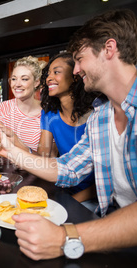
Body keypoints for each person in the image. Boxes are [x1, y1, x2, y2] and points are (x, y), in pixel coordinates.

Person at [0, 9, 137, 264]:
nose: (75, 70)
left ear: (109, 49)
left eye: (79, 59)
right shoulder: (101, 116)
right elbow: (67, 169)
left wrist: (67, 237)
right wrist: (9, 150)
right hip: (115, 238)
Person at [38, 52, 98, 204]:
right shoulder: (49, 114)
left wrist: (71, 203)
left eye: (56, 72)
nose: (49, 78)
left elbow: (105, 180)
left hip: (92, 198)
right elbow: (44, 157)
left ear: (75, 76)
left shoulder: (97, 115)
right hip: (63, 189)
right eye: (48, 73)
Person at [0, 56, 46, 152]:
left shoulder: (48, 112)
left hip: (34, 166)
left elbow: (49, 158)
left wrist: (16, 141)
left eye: (24, 79)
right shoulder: (1, 109)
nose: (17, 84)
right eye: (14, 79)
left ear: (36, 82)